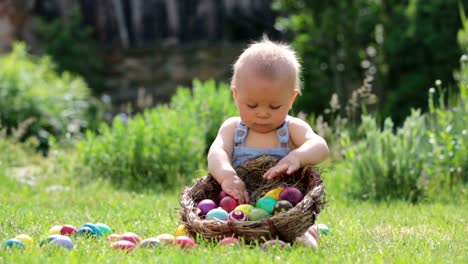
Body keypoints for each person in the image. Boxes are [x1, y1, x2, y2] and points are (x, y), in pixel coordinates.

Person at [207, 37, 329, 248]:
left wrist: (297, 156)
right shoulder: (232, 129)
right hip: (238, 211)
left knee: (292, 220)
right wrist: (227, 176)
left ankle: (296, 236)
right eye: (251, 105)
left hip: (281, 213)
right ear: (236, 95)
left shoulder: (291, 129)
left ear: (291, 99)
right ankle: (235, 238)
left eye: (274, 107)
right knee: (220, 218)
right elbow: (216, 152)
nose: (262, 113)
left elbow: (320, 146)